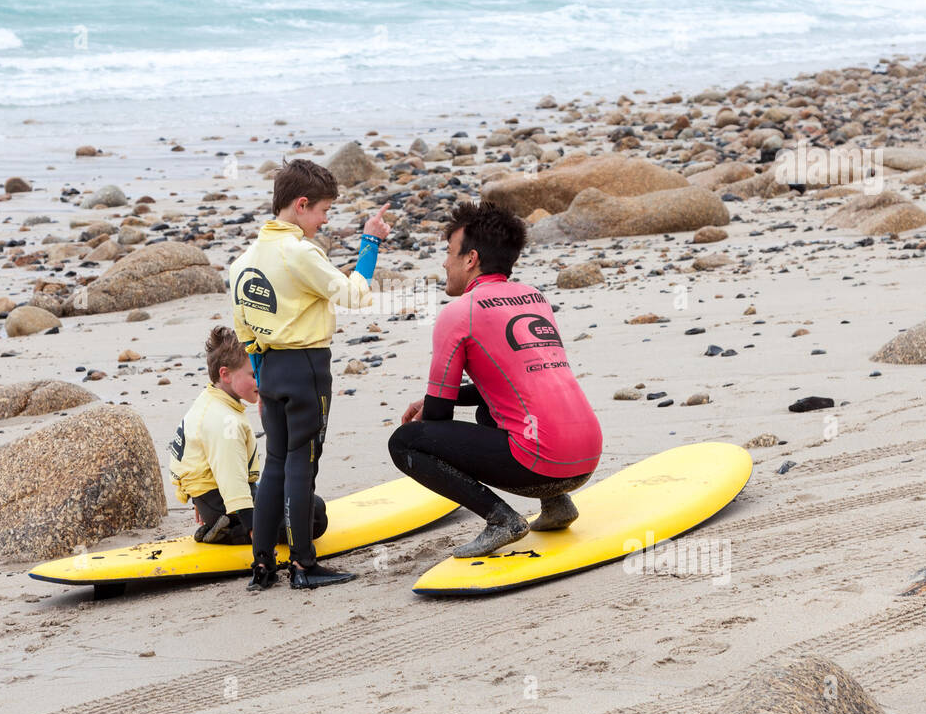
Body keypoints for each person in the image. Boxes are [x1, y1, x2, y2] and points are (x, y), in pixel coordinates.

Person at [389, 201, 602, 557]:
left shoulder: (459, 313)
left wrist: (435, 404)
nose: (444, 262)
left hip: (541, 464)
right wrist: (443, 399)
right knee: (490, 412)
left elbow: (438, 420)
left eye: (448, 252)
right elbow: (516, 383)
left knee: (406, 442)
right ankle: (556, 505)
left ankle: (502, 520)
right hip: (587, 456)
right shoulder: (535, 297)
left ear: (470, 259)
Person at [230, 158, 391, 589]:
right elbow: (354, 295)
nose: (323, 220)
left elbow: (244, 329)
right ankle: (303, 565)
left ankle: (262, 565)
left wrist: (261, 378)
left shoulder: (243, 260)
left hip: (270, 369)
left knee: (275, 465)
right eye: (323, 211)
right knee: (304, 465)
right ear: (301, 204)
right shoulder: (299, 252)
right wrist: (370, 243)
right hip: (306, 369)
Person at [167, 326, 328, 546]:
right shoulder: (225, 422)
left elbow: (194, 453)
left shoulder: (208, 401)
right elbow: (232, 481)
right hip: (225, 503)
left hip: (212, 499)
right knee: (315, 516)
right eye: (254, 375)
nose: (262, 382)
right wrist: (255, 529)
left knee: (308, 504)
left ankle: (224, 523)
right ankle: (230, 531)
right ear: (225, 374)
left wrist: (198, 495)